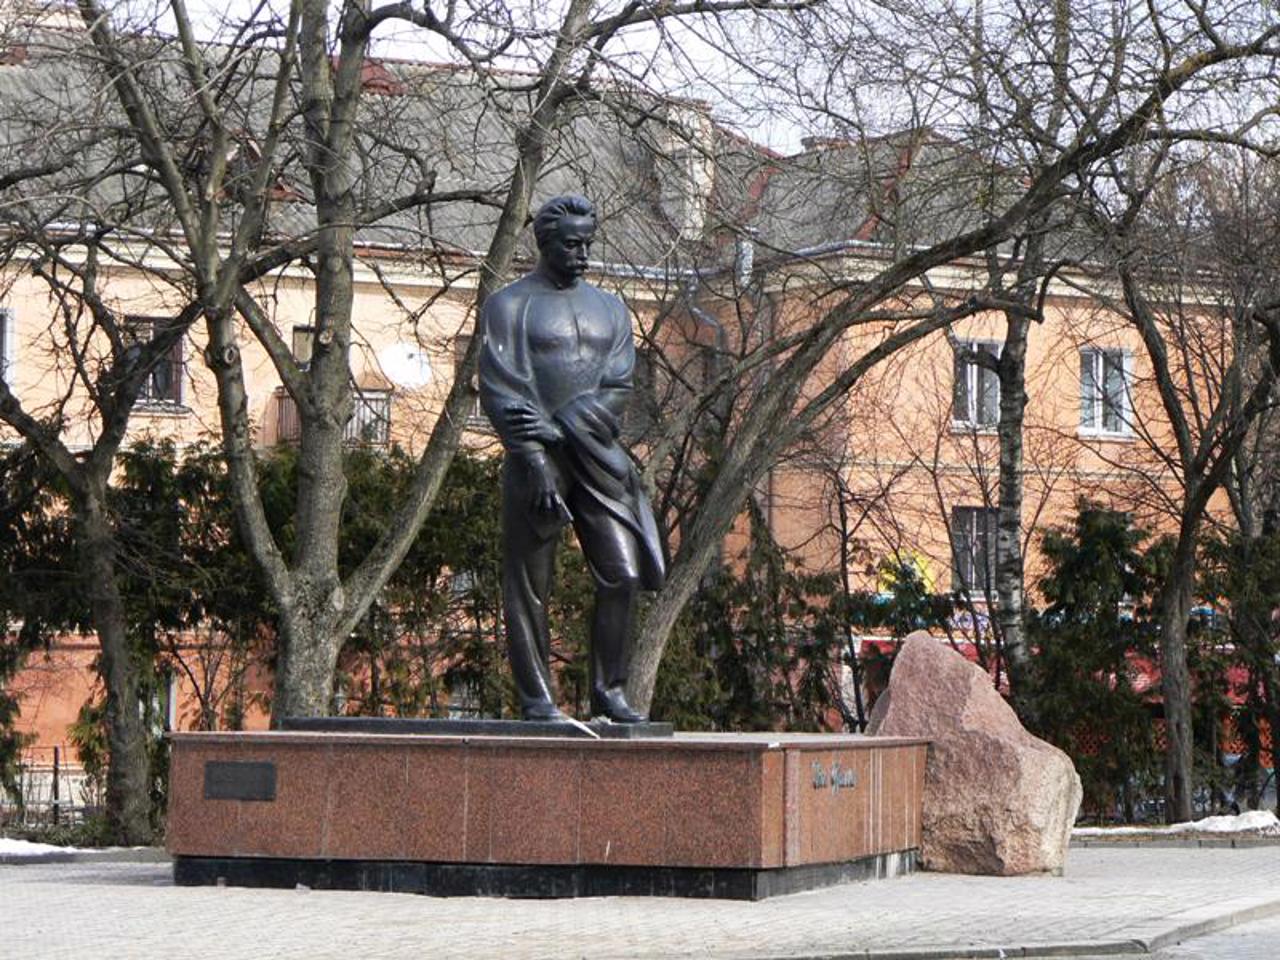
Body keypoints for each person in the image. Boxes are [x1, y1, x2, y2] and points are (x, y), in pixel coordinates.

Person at [479, 194, 664, 723]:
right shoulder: (509, 305)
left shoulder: (611, 309)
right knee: (529, 584)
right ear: (546, 243)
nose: (582, 254)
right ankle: (538, 700)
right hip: (536, 463)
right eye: (571, 245)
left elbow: (619, 386)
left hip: (595, 456)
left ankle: (611, 691)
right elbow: (501, 388)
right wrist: (534, 455)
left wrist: (561, 428)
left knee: (623, 573)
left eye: (587, 243)